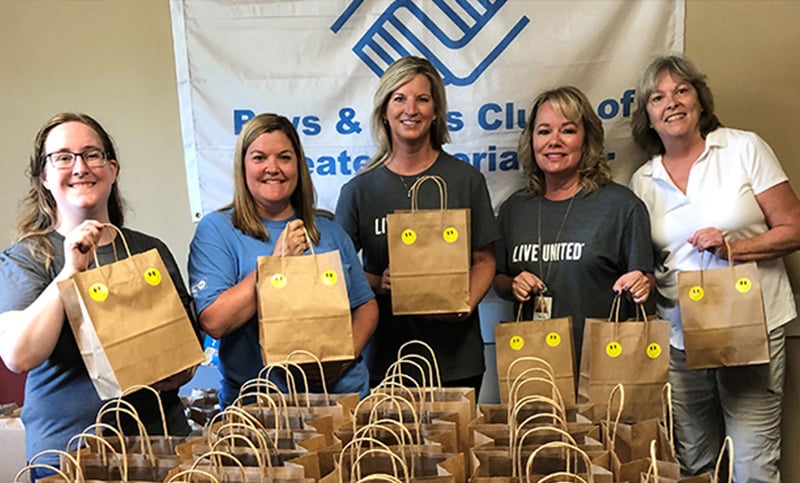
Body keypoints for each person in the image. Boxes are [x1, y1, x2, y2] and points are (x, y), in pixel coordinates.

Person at [629, 54, 800, 481]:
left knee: (752, 464)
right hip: (679, 338)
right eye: (658, 97)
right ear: (647, 117)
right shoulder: (642, 181)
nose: (672, 102)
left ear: (700, 101)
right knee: (694, 462)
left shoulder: (743, 147)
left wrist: (735, 248)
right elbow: (650, 263)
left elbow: (794, 229)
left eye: (682, 91)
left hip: (751, 330)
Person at [0, 113, 196, 476]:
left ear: (112, 168)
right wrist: (70, 272)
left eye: (92, 154)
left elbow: (186, 350)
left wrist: (176, 373)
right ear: (44, 176)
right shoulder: (26, 258)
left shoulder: (149, 250)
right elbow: (19, 355)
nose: (80, 167)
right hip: (70, 453)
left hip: (161, 445)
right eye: (63, 157)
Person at [188, 113, 378, 408]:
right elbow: (215, 321)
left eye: (284, 158)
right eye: (259, 157)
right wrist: (277, 262)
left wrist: (345, 356)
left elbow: (365, 305)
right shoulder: (218, 230)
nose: (272, 168)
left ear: (298, 166)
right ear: (243, 166)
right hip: (261, 409)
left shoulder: (328, 228)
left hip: (343, 399)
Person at [335, 56, 499, 393]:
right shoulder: (359, 191)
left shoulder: (465, 180)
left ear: (436, 110)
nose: (411, 109)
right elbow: (338, 273)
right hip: (386, 362)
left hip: (457, 361)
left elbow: (485, 260)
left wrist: (464, 303)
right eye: (399, 98)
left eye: (422, 99)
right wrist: (379, 282)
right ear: (384, 109)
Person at [493, 85, 654, 359]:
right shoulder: (514, 209)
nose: (554, 141)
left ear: (587, 139)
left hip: (606, 359)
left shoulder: (621, 206)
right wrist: (513, 285)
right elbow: (499, 279)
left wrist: (640, 284)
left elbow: (646, 278)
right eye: (544, 131)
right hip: (534, 359)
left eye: (567, 130)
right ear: (531, 141)